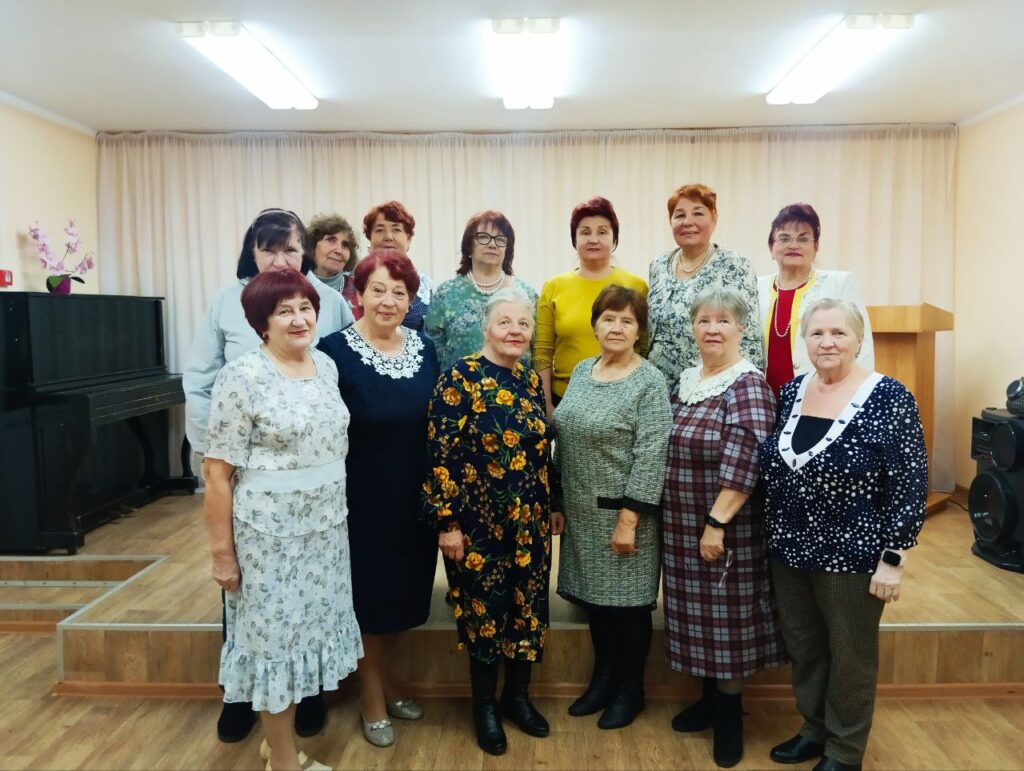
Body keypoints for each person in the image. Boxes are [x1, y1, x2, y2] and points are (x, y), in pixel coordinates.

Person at [183, 208, 353, 742]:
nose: (299, 318)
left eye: (305, 308)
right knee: (263, 627)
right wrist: (221, 550)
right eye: (268, 248)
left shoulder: (326, 358)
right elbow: (216, 461)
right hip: (264, 522)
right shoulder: (240, 367)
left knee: (309, 619)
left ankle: (304, 699)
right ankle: (251, 709)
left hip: (322, 522)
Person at [760, 298, 927, 771]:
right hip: (789, 549)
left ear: (859, 339)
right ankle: (814, 730)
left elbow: (909, 482)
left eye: (839, 333)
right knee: (805, 647)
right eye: (817, 333)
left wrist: (893, 560)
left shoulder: (889, 397)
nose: (827, 342)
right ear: (804, 341)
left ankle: (844, 751)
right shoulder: (791, 392)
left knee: (851, 655)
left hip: (852, 555)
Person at [424, 287, 559, 756]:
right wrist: (448, 523)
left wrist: (553, 502)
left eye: (523, 323)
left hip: (530, 522)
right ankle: (484, 706)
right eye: (505, 322)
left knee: (528, 608)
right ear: (486, 328)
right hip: (477, 526)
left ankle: (516, 698)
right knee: (484, 613)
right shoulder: (459, 378)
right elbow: (439, 454)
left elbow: (541, 449)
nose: (515, 331)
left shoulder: (528, 379)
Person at [316, 249, 439, 748]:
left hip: (415, 495)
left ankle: (387, 684)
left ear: (411, 300)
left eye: (399, 293)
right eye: (378, 290)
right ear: (359, 294)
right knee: (370, 602)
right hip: (361, 500)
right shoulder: (332, 352)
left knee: (405, 598)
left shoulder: (425, 348)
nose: (388, 301)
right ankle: (371, 700)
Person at [662, 285, 786, 769]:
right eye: (704, 321)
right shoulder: (687, 380)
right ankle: (710, 702)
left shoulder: (747, 385)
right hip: (681, 525)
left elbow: (746, 460)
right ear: (693, 328)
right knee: (698, 619)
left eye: (723, 321)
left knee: (728, 623)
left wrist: (715, 524)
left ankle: (730, 718)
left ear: (741, 329)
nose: (712, 329)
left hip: (725, 526)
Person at [551, 285, 671, 730]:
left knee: (627, 610)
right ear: (595, 324)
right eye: (609, 318)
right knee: (596, 606)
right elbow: (565, 437)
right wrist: (557, 500)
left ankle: (629, 690)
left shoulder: (649, 381)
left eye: (627, 321)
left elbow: (652, 454)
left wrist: (629, 520)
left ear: (639, 331)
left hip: (625, 516)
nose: (616, 327)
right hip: (581, 513)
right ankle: (602, 682)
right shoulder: (583, 371)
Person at [535, 196, 648, 418]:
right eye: (585, 232)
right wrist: (546, 405)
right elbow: (542, 352)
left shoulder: (636, 286)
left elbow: (643, 348)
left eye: (602, 232)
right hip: (565, 399)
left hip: (622, 399)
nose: (593, 239)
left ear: (614, 239)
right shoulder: (554, 287)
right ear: (574, 239)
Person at [647, 184, 763, 392]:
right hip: (655, 389)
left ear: (714, 218)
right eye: (679, 215)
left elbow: (749, 338)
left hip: (709, 390)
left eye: (698, 213)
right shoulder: (659, 265)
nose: (688, 222)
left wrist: (740, 391)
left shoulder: (735, 265)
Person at [757, 203, 874, 395]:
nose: (793, 245)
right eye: (784, 238)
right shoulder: (754, 287)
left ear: (816, 246)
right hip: (762, 399)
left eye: (803, 238)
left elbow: (863, 344)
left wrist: (858, 394)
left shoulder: (839, 283)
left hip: (823, 395)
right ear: (771, 247)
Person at [425, 210, 537, 370]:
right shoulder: (446, 293)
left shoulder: (526, 294)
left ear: (508, 249)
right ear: (468, 246)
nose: (492, 244)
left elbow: (538, 351)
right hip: (458, 384)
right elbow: (432, 352)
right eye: (483, 237)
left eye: (500, 239)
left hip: (517, 384)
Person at [361, 201, 433, 330]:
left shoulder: (425, 287)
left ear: (408, 240)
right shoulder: (351, 283)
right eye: (380, 230)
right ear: (369, 238)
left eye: (396, 230)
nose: (388, 237)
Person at [306, 212, 361, 311]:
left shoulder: (360, 289)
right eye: (331, 240)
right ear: (313, 245)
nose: (339, 251)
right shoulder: (295, 286)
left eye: (345, 245)